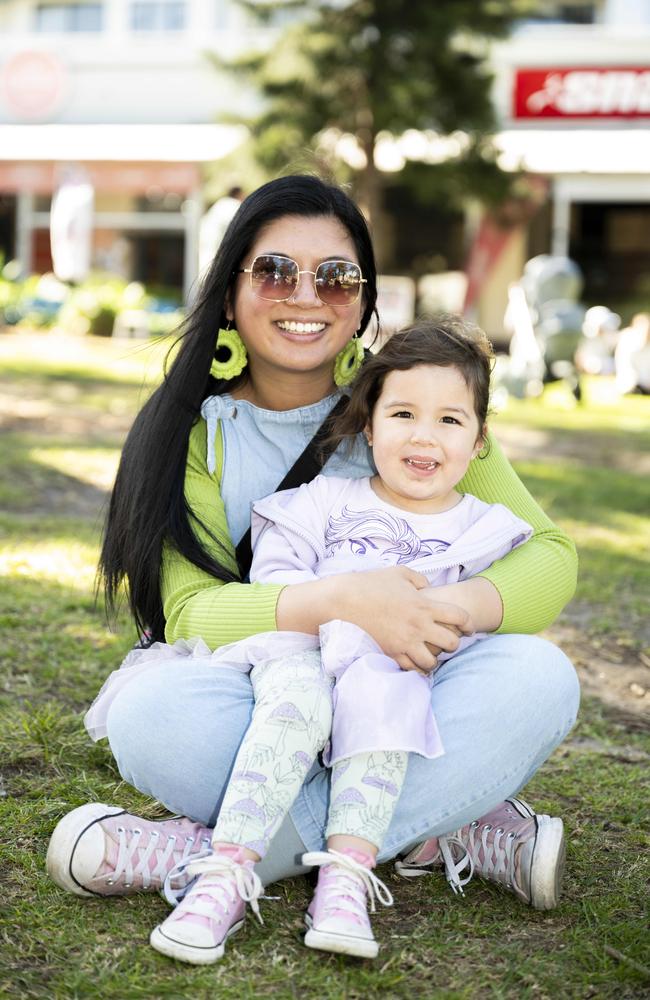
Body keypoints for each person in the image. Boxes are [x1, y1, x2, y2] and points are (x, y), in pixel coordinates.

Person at [46, 175, 580, 960]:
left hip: (406, 685)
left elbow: (551, 557)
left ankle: (216, 857)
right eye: (274, 272)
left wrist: (441, 611)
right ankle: (437, 829)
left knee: (539, 677)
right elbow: (193, 612)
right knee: (151, 714)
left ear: (364, 301)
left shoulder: (419, 407)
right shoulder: (194, 433)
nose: (306, 295)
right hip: (264, 692)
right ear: (230, 291)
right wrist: (346, 599)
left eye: (335, 276)